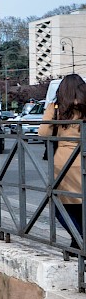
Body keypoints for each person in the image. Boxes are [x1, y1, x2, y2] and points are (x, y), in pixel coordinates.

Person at [38, 73, 86, 241]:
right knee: (83, 204)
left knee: (61, 206)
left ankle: (78, 239)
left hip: (65, 162)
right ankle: (79, 242)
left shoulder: (57, 108)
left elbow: (43, 133)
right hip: (84, 158)